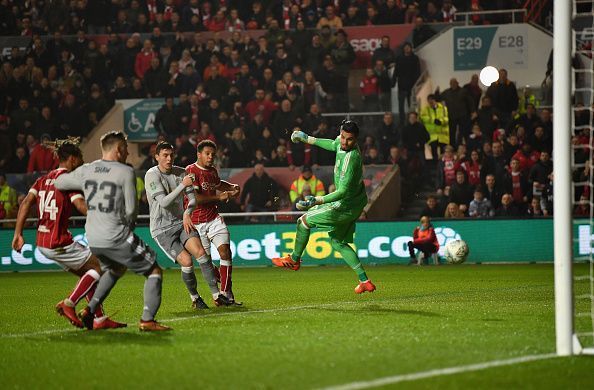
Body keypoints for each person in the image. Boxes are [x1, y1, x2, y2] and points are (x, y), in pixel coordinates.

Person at [55, 131, 170, 331]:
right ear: (118, 149)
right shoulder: (125, 171)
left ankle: (89, 311)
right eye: (125, 148)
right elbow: (132, 209)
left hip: (93, 237)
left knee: (115, 269)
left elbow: (59, 182)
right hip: (115, 235)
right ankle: (147, 320)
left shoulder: (87, 170)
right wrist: (129, 227)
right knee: (154, 270)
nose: (127, 153)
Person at [12, 138, 125, 330]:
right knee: (102, 267)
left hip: (43, 241)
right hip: (59, 241)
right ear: (72, 159)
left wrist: (18, 234)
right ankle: (69, 303)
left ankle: (97, 319)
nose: (80, 163)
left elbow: (25, 204)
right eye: (79, 159)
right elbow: (81, 205)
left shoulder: (42, 180)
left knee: (88, 273)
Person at [272, 120, 376, 294]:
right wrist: (308, 139)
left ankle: (294, 260)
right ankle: (365, 281)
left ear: (356, 140)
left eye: (349, 139)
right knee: (338, 243)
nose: (344, 142)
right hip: (356, 203)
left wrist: (317, 200)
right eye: (343, 137)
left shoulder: (351, 160)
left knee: (303, 221)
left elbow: (342, 191)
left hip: (344, 205)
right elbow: (333, 143)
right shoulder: (342, 144)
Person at [144, 141, 224, 309]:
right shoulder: (152, 175)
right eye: (165, 155)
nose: (169, 158)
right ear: (157, 157)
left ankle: (217, 296)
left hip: (181, 222)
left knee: (201, 253)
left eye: (171, 155)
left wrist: (187, 212)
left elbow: (193, 200)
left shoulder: (182, 172)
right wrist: (183, 184)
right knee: (187, 261)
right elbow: (164, 202)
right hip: (161, 229)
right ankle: (195, 298)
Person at [186, 140, 242, 305]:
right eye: (207, 154)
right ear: (199, 154)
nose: (210, 157)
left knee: (225, 252)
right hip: (196, 223)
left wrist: (231, 187)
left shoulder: (212, 171)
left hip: (214, 219)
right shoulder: (191, 171)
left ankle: (226, 293)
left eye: (213, 154)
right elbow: (195, 199)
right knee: (207, 264)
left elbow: (218, 184)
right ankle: (222, 291)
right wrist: (219, 196)